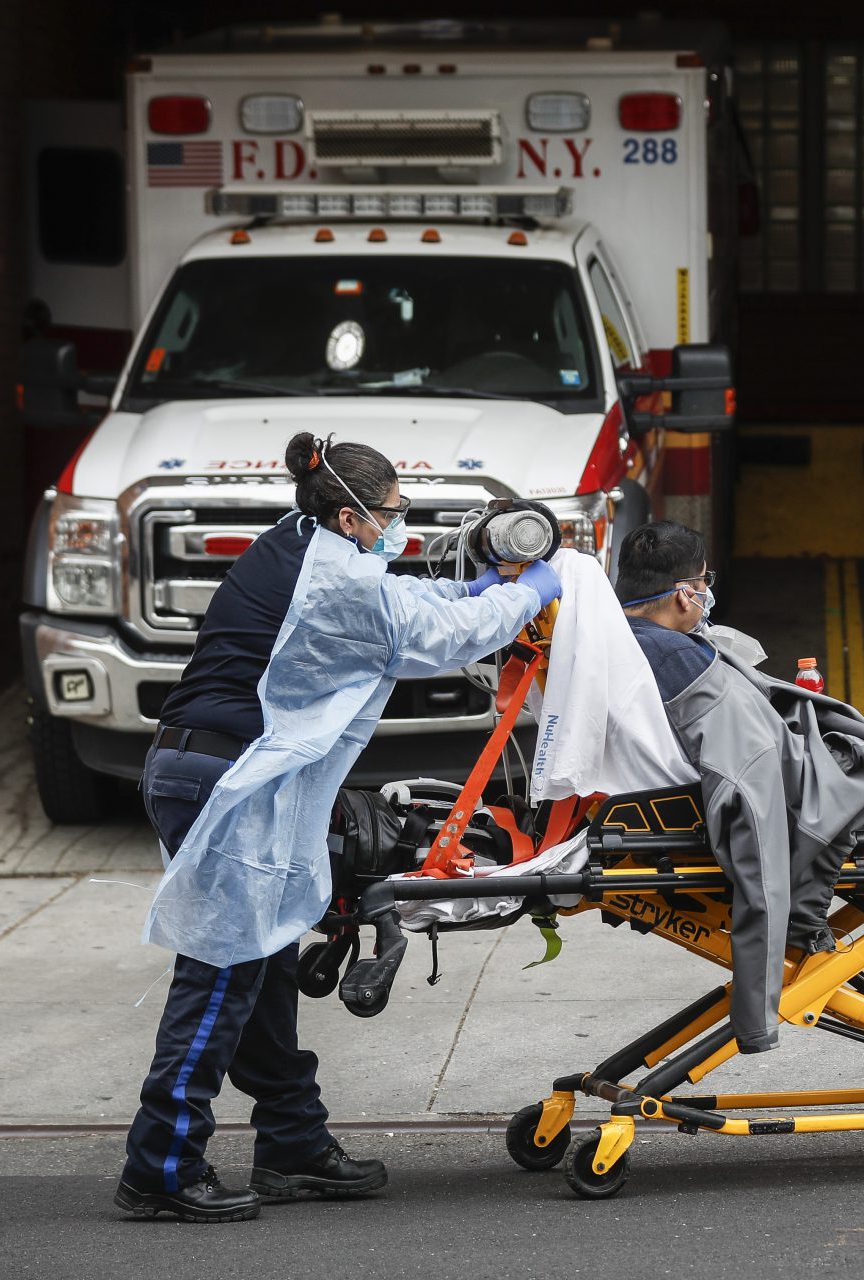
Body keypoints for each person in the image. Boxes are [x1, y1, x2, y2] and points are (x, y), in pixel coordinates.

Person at [116, 432, 562, 1223]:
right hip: (229, 779)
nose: (401, 525)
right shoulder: (330, 576)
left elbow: (404, 604)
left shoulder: (297, 545)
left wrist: (482, 587)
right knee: (222, 973)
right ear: (352, 516)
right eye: (392, 512)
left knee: (258, 970)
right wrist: (527, 592)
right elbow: (433, 637)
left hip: (205, 768)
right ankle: (160, 1165)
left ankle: (292, 1142)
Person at [615, 521, 864, 1053]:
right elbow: (754, 798)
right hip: (827, 777)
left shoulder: (615, 639)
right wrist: (757, 1012)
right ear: (684, 594)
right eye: (703, 582)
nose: (707, 592)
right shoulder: (682, 663)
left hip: (794, 755)